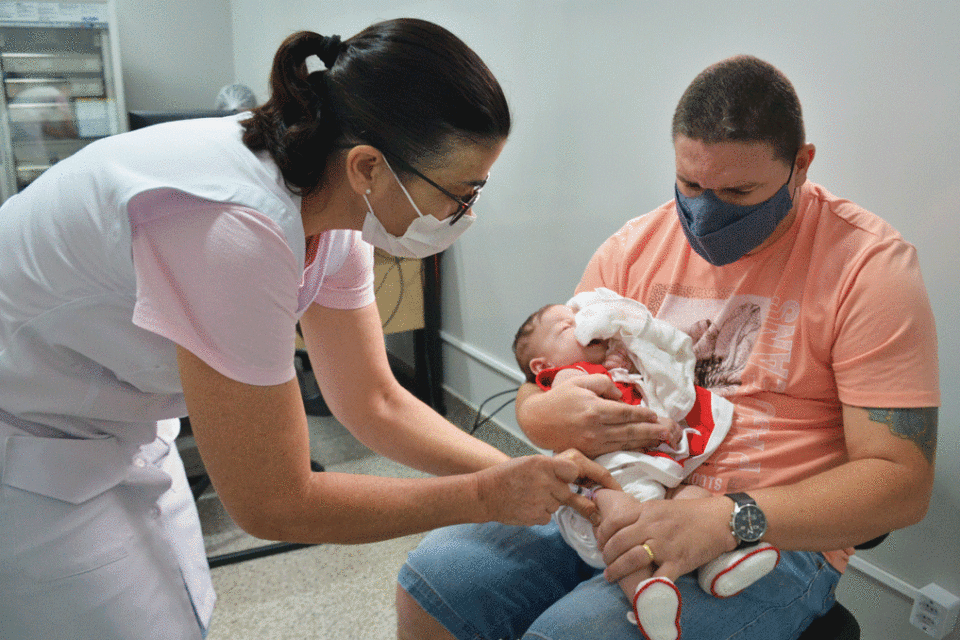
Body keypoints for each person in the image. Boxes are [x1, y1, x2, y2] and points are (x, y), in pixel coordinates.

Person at [0, 19, 619, 640]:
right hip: (23, 443)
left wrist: (533, 485)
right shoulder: (234, 228)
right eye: (460, 192)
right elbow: (272, 502)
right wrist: (485, 497)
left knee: (174, 609)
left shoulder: (334, 211)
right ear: (369, 166)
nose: (460, 214)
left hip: (106, 423)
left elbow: (372, 401)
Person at [397, 54, 939, 640]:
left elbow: (900, 485)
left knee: (575, 634)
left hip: (765, 533)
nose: (707, 211)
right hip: (610, 493)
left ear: (801, 165)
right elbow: (544, 374)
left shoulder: (868, 268)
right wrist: (542, 411)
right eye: (691, 184)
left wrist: (732, 518)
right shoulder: (634, 247)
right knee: (435, 578)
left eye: (739, 190)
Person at [512, 291, 780, 640]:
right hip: (607, 481)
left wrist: (653, 407)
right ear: (541, 366)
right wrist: (614, 373)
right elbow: (595, 398)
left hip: (654, 469)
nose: (581, 325)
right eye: (567, 327)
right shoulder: (564, 377)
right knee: (620, 519)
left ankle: (719, 564)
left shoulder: (612, 367)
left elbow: (643, 399)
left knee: (695, 497)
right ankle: (645, 594)